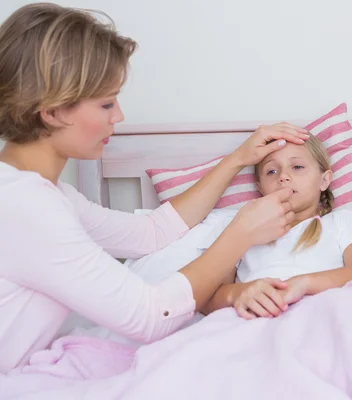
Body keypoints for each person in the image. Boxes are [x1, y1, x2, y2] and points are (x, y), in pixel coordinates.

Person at [0, 3, 309, 373]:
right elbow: (150, 317)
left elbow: (151, 234)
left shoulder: (44, 195)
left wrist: (237, 159)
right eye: (106, 103)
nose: (119, 116)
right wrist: (239, 235)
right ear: (52, 111)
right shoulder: (26, 207)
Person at [200, 134, 352, 320]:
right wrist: (240, 293)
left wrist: (304, 284)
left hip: (322, 316)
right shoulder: (243, 231)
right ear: (260, 189)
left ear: (324, 180)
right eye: (271, 171)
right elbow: (207, 298)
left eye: (297, 167)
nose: (284, 177)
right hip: (255, 322)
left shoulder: (343, 221)